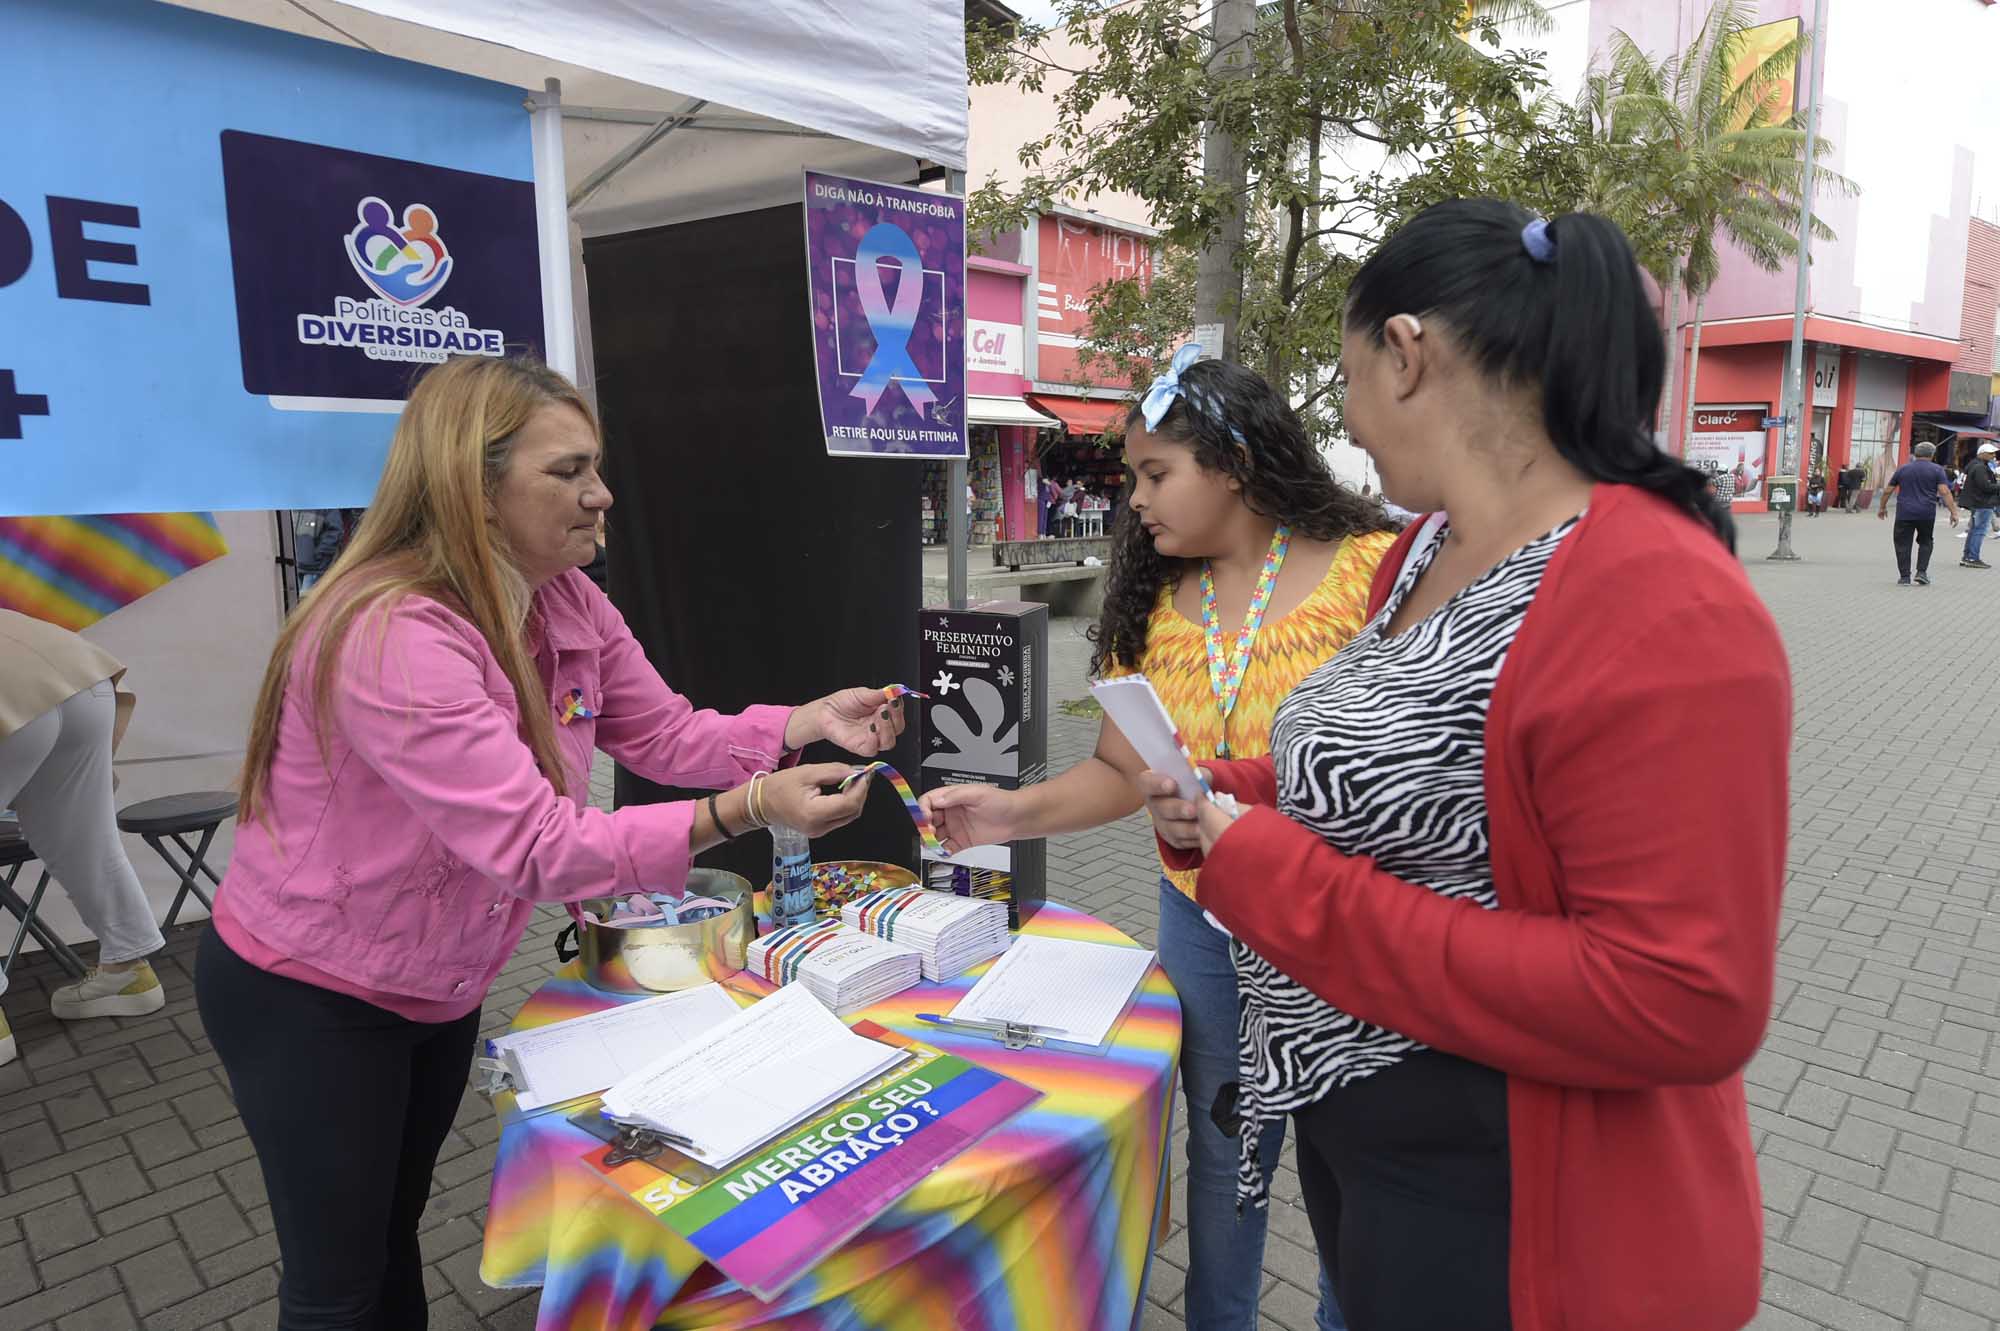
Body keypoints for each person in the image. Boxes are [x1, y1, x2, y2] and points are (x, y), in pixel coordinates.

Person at [1141, 202, 1788, 1331]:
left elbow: (1679, 996)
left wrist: (1278, 881)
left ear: (1404, 352)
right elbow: (1409, 777)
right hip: (1368, 1151)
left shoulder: (1657, 596)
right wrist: (1237, 796)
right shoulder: (1423, 548)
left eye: (1345, 378)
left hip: (1513, 1199)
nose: (1348, 423)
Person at [197, 355, 903, 1330]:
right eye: (567, 471)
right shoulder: (395, 632)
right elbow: (534, 845)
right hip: (312, 991)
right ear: (472, 487)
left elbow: (662, 732)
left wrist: (803, 721)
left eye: (595, 466)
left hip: (437, 985)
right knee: (336, 1283)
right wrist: (746, 806)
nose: (600, 493)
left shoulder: (565, 598)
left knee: (390, 1232)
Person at [922, 343, 1399, 1331]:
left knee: (1354, 1169)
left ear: (1233, 463)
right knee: (1224, 1155)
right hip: (1202, 925)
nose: (1133, 499)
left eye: (1154, 473)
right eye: (1132, 476)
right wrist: (1007, 814)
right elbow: (1116, 769)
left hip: (1340, 928)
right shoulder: (1150, 604)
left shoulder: (1371, 572)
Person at [0, 612, 170, 1065]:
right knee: (86, 837)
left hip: (19, 684)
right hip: (79, 677)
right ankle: (127, 973)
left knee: (83, 837)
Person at [1878, 441, 1960, 585]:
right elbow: (1944, 491)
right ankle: (1921, 572)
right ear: (1932, 454)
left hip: (1904, 513)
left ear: (1915, 454)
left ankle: (1904, 577)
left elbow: (1888, 491)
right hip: (1926, 513)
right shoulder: (1937, 470)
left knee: (1902, 544)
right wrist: (1953, 512)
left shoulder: (1903, 469)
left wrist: (1882, 507)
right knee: (1926, 541)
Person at [1957, 440, 1999, 569]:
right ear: (1982, 454)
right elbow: (1985, 486)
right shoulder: (1980, 467)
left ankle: (1967, 557)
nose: (1993, 456)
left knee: (1974, 530)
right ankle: (1972, 557)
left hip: (1977, 502)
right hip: (1982, 503)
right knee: (1979, 531)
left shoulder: (1975, 465)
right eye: (1990, 453)